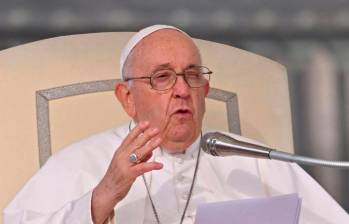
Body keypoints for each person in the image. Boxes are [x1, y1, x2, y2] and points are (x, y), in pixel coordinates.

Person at [3, 25, 348, 224]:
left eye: (192, 76)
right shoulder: (79, 162)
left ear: (206, 90)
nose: (182, 90)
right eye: (162, 77)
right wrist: (101, 198)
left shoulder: (255, 164)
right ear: (127, 98)